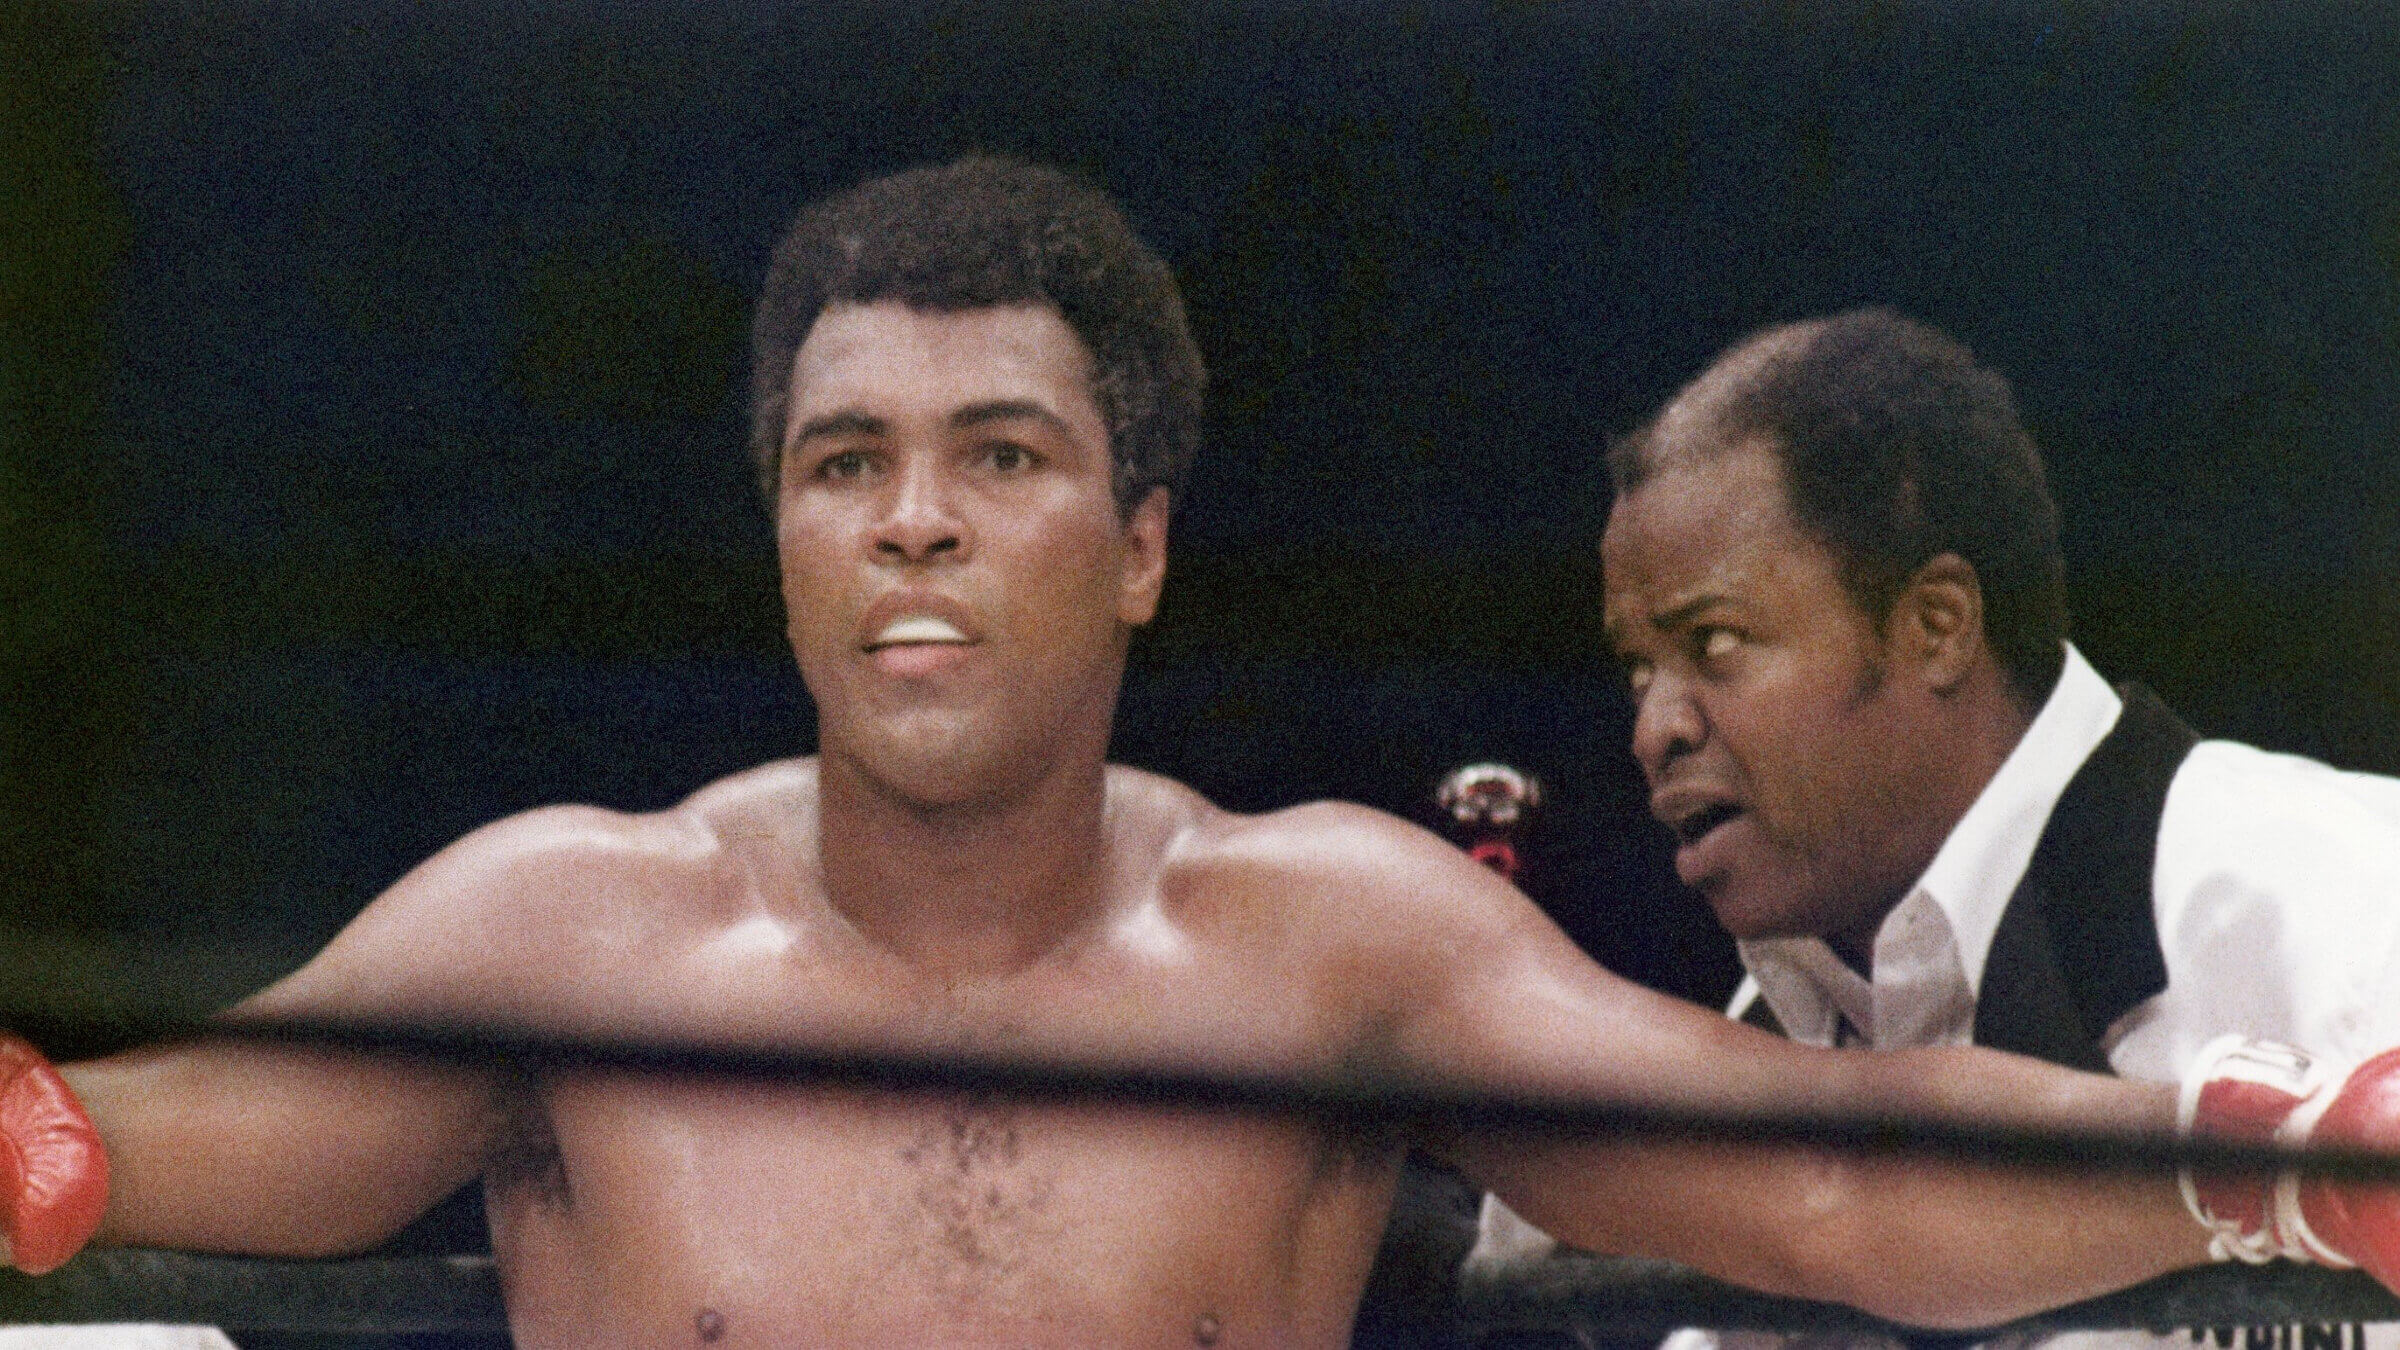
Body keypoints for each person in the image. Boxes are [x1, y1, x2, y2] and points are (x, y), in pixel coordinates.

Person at [11, 167, 2398, 1349]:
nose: (912, 516)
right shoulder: (558, 926)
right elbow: (109, 1141)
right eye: (841, 460)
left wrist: (2275, 1163)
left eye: (997, 455)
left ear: (1139, 541)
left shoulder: (1318, 940)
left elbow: (1814, 1169)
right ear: (775, 536)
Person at [1473, 307, 2400, 1348]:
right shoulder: (1747, 1059)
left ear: (1937, 625)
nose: (1655, 728)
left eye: (1717, 641)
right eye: (1639, 668)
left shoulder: (2337, 903)